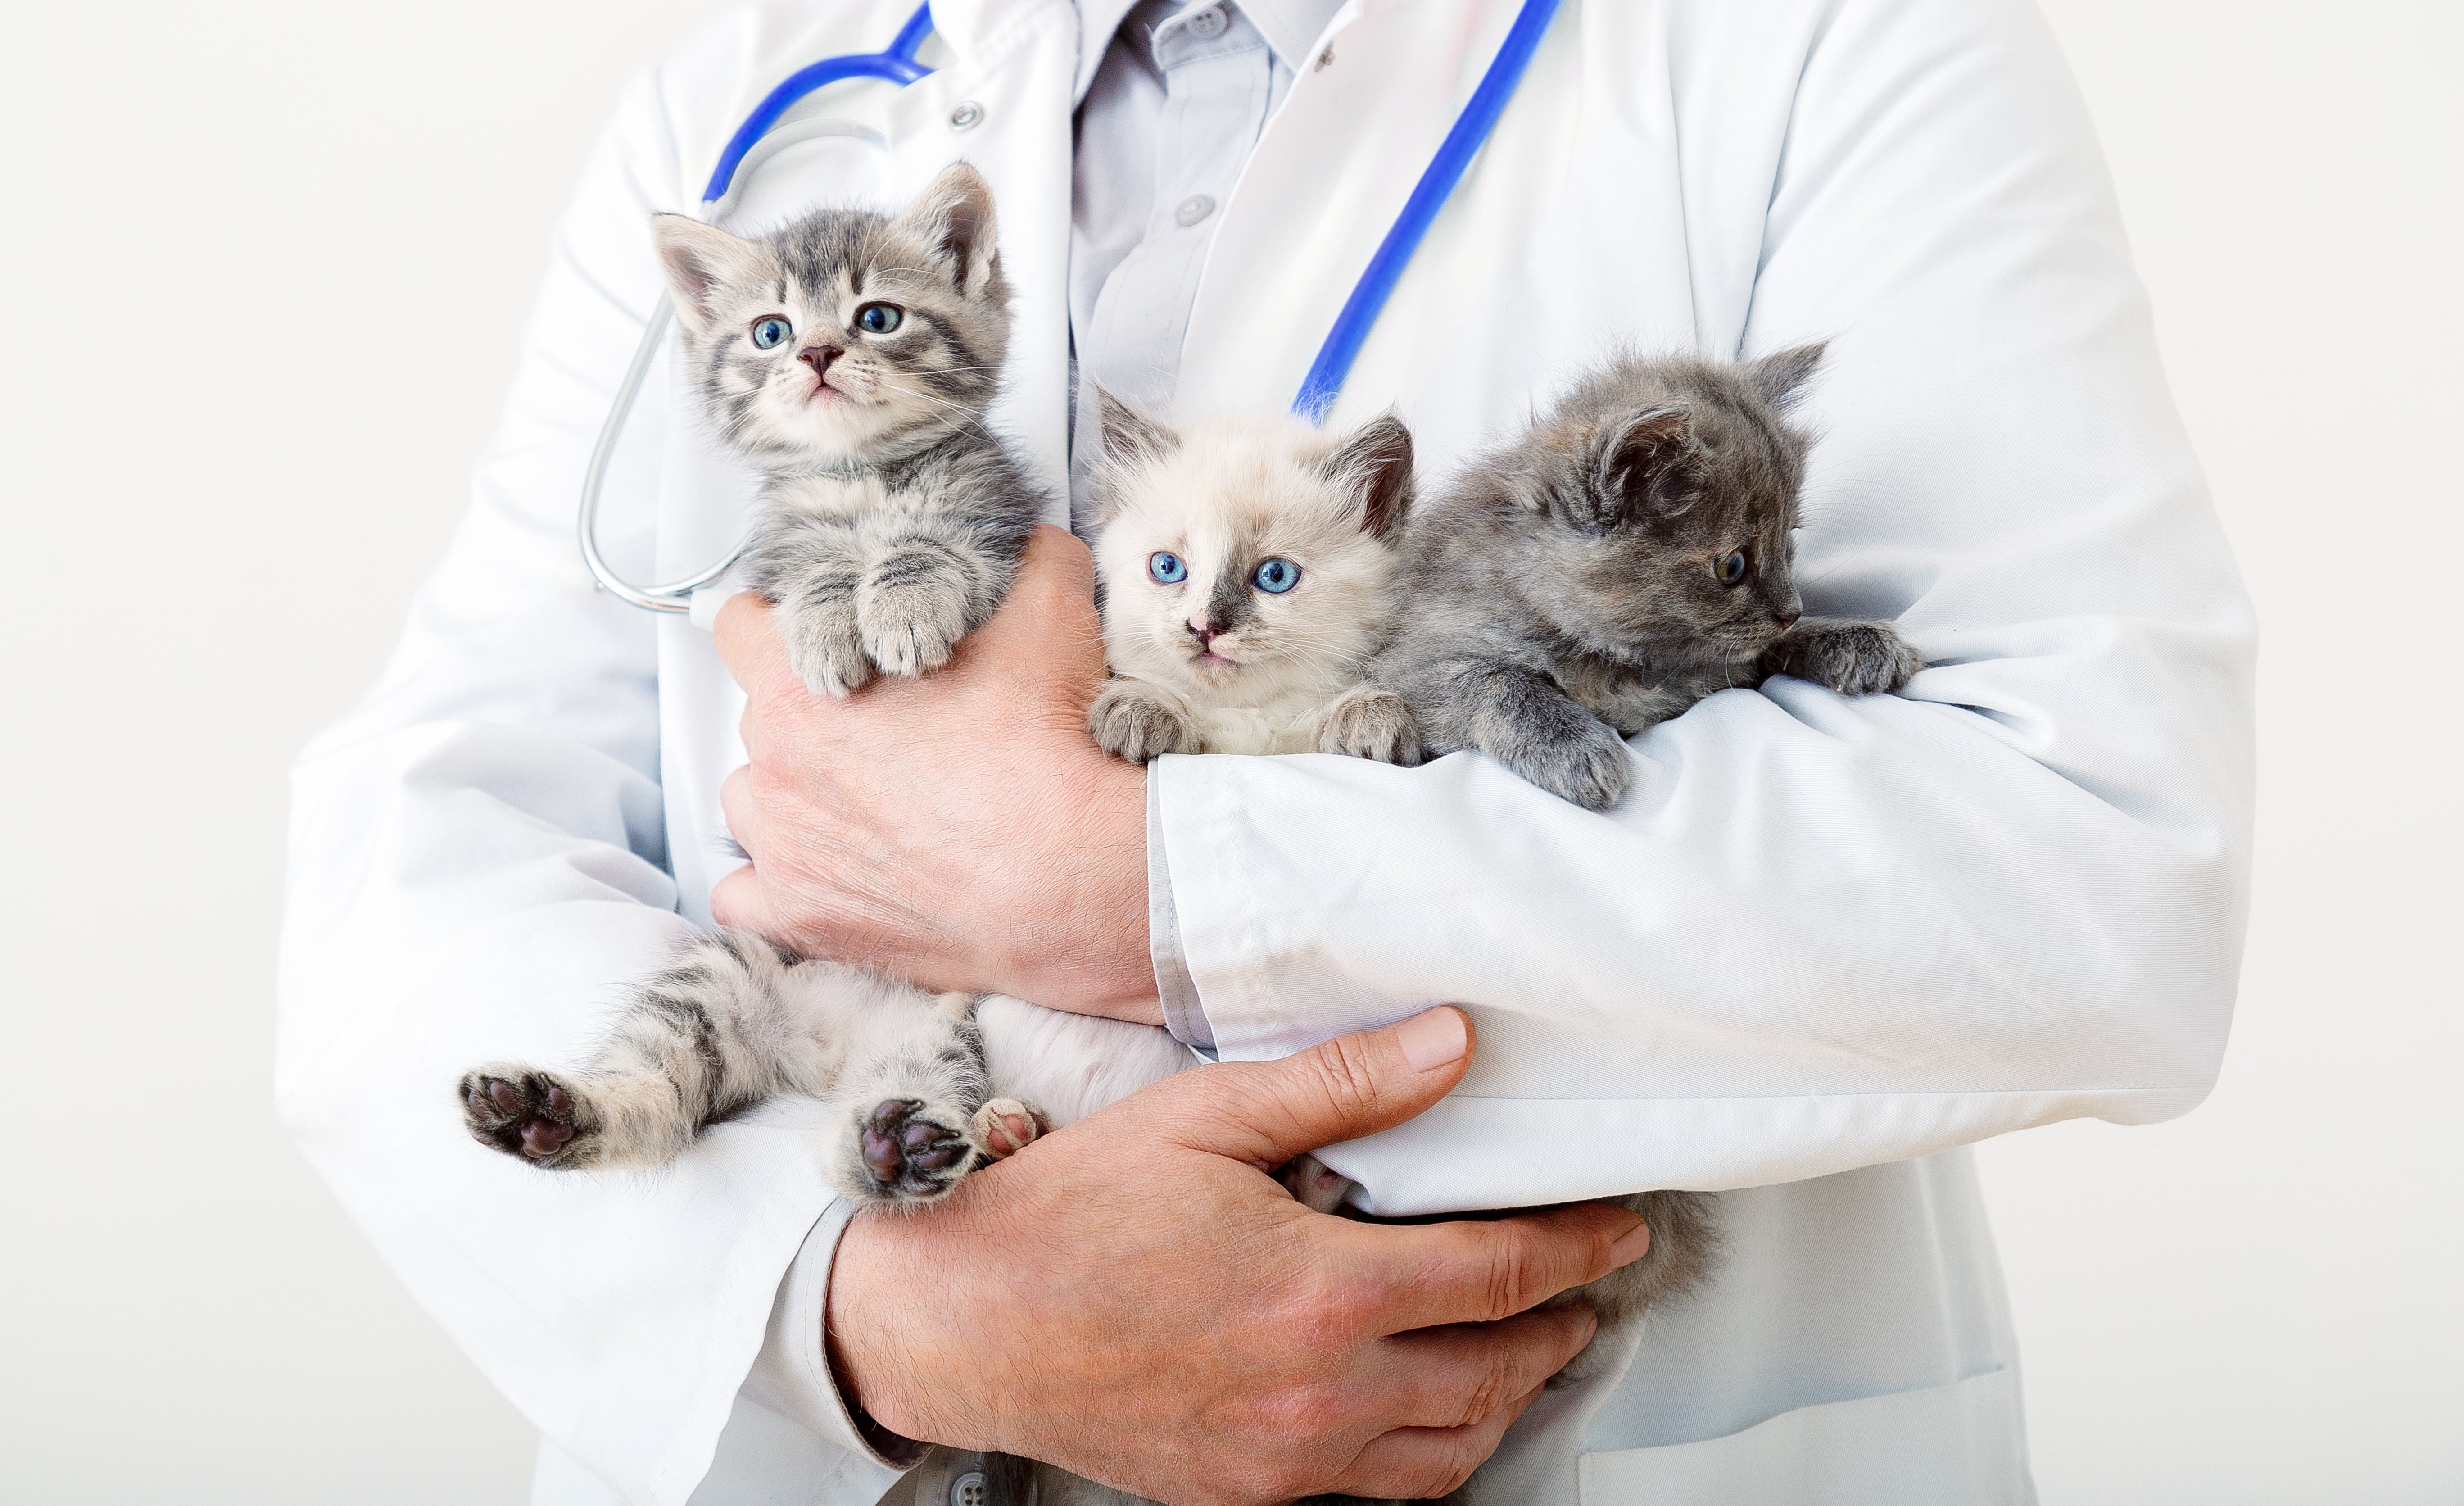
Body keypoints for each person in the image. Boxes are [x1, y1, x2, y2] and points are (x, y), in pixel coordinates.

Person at [276, 0, 2256, 1501]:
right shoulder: (756, 79)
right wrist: (875, 1303)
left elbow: (2094, 855)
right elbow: (439, 843)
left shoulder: (1829, 41)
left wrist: (1132, 885)